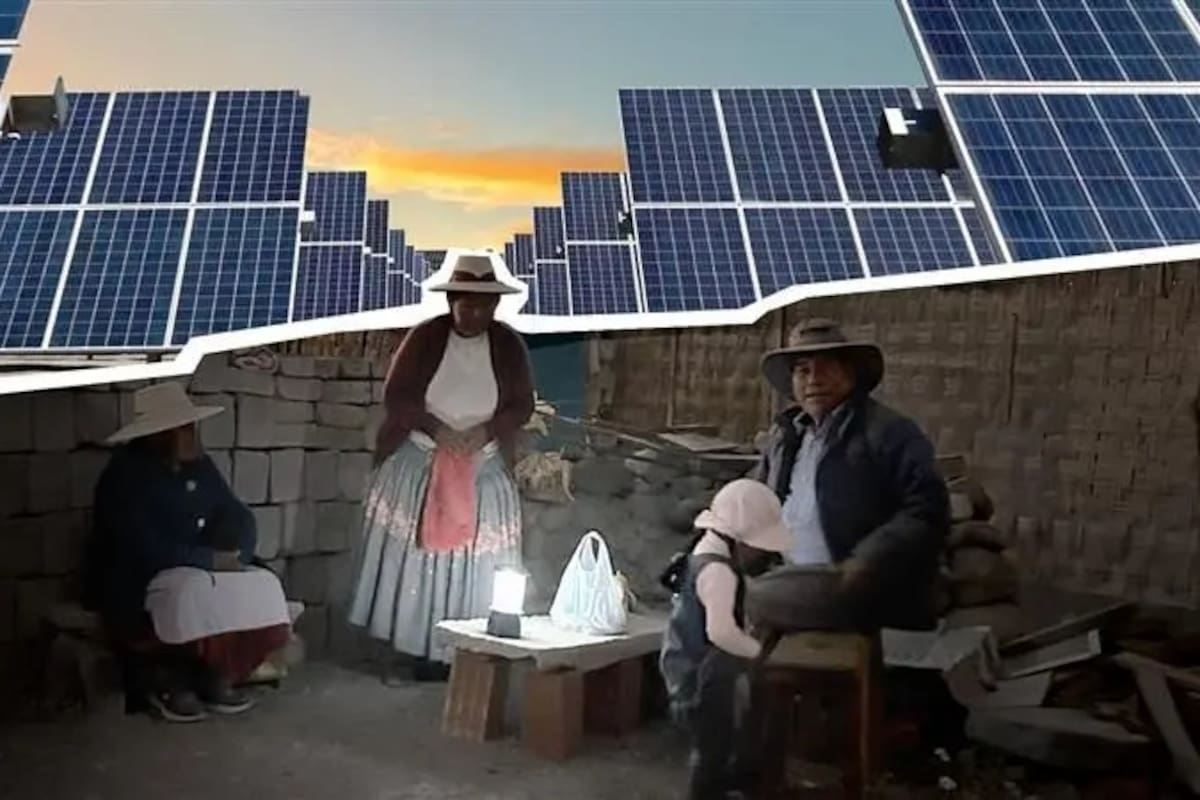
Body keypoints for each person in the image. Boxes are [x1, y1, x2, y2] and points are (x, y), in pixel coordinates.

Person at [347, 251, 535, 682]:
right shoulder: (425, 338)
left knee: (473, 564)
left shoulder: (508, 345)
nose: (472, 312)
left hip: (481, 464)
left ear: (495, 306)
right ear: (450, 301)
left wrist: (486, 431)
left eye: (482, 304)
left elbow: (521, 404)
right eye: (464, 303)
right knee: (414, 560)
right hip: (421, 458)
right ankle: (405, 651)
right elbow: (398, 396)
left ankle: (462, 655)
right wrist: (436, 428)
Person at [83, 382, 292, 723]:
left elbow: (235, 512)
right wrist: (207, 560)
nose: (192, 434)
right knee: (187, 593)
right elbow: (141, 546)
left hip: (200, 565)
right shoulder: (124, 476)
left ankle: (215, 672)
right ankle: (167, 675)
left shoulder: (200, 465)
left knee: (262, 585)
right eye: (182, 427)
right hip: (137, 577)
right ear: (158, 435)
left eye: (191, 425)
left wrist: (238, 551)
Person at [752, 318, 949, 631]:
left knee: (742, 607)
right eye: (803, 370)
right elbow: (757, 498)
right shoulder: (786, 436)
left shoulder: (888, 431)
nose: (814, 380)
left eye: (826, 367)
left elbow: (927, 510)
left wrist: (867, 562)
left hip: (862, 587)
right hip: (792, 575)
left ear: (851, 374)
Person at [660, 479, 790, 800]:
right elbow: (720, 632)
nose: (763, 555)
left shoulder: (702, 551)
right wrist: (759, 653)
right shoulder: (718, 572)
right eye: (760, 547)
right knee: (712, 751)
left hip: (689, 668)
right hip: (702, 678)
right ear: (739, 540)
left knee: (719, 746)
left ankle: (726, 783)